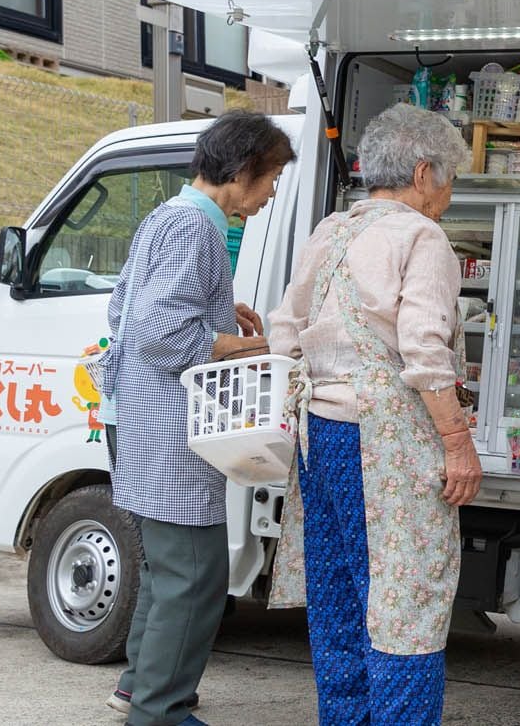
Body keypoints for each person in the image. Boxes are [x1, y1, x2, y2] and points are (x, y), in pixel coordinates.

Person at [267, 103, 482, 725]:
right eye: (448, 181)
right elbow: (423, 347)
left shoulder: (330, 232)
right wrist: (457, 441)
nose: (446, 197)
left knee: (337, 599)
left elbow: (285, 335)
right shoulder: (421, 236)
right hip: (390, 446)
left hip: (322, 438)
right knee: (404, 602)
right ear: (423, 174)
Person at [102, 109, 296, 726]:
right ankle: (159, 711)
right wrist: (238, 345)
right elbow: (161, 331)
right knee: (195, 576)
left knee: (169, 572)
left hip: (141, 418)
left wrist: (220, 316)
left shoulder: (170, 214)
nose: (269, 196)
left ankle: (140, 689)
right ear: (241, 172)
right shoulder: (197, 228)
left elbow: (124, 310)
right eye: (269, 180)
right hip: (170, 427)